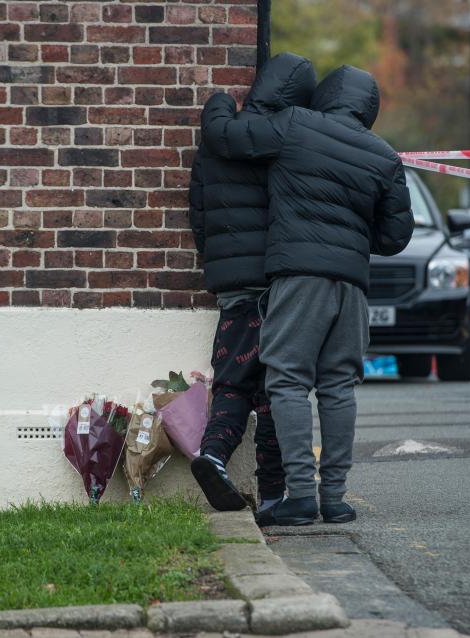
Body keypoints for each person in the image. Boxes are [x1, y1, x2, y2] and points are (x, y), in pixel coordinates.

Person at [200, 65, 414, 525]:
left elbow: (227, 137)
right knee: (338, 386)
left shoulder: (297, 125)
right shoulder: (383, 155)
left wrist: (217, 102)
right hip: (352, 286)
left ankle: (299, 495)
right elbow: (395, 237)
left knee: (287, 380)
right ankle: (334, 498)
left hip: (300, 277)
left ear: (326, 95)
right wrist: (353, 238)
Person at [188, 53, 317, 513]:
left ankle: (213, 456)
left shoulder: (215, 140)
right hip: (276, 284)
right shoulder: (285, 140)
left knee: (231, 383)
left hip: (232, 287)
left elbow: (198, 216)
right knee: (275, 390)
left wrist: (218, 262)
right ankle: (272, 494)